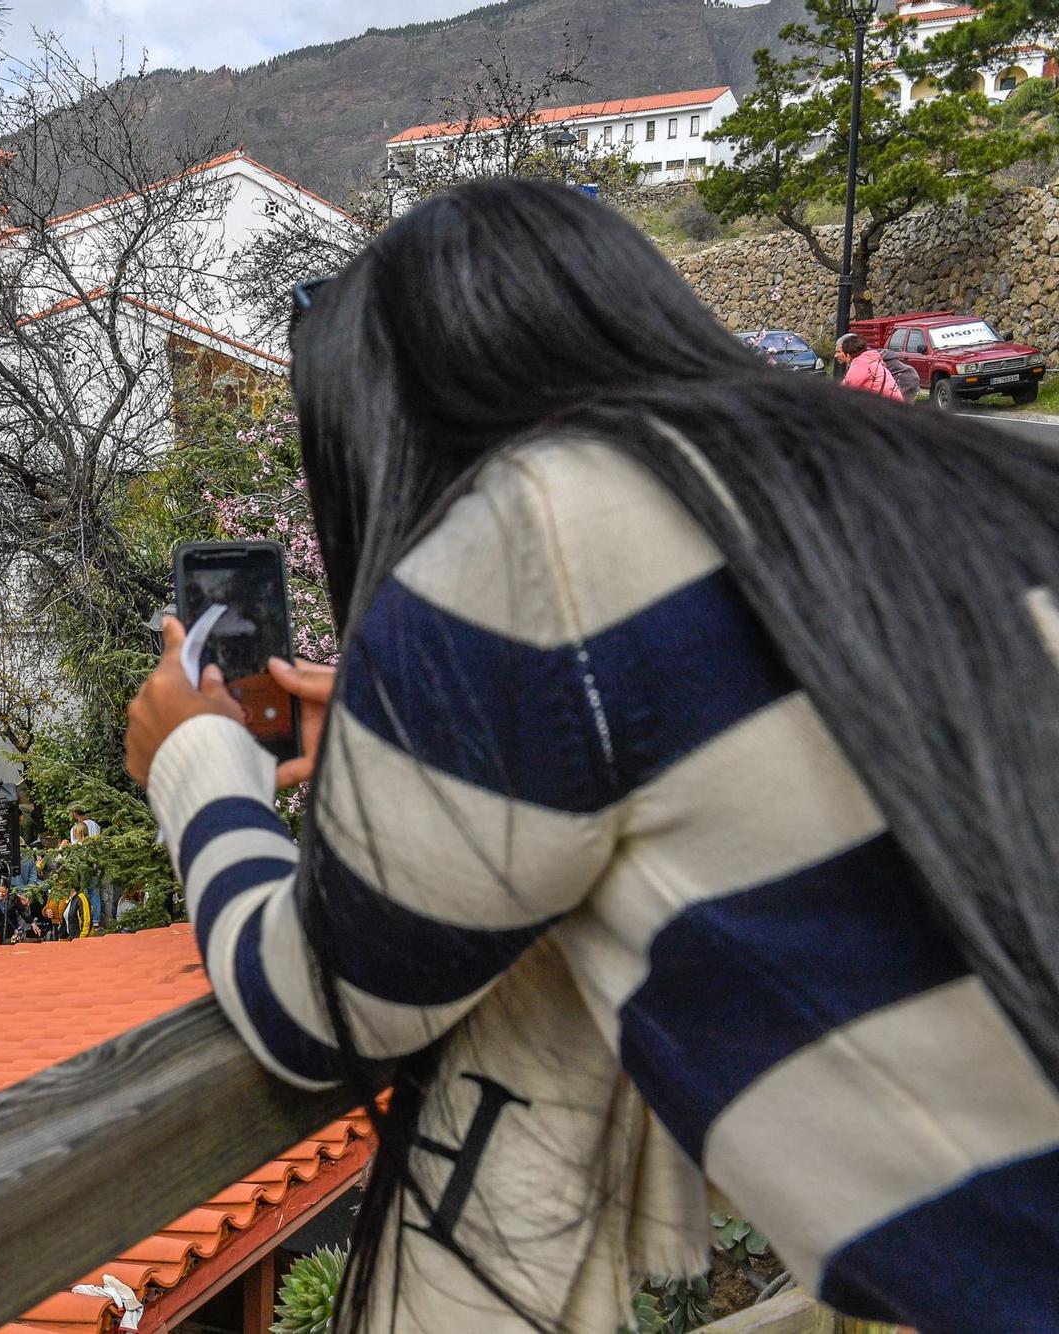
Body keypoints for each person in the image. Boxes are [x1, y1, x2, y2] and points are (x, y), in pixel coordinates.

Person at [124, 179, 1059, 1332]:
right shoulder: (940, 463)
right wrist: (414, 731)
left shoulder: (534, 531)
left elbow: (308, 1005)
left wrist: (196, 757)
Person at [834, 332, 910, 402]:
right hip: (893, 406)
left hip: (887, 409)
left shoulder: (860, 364)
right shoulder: (870, 360)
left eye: (839, 352)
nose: (835, 355)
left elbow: (843, 391)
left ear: (848, 354)